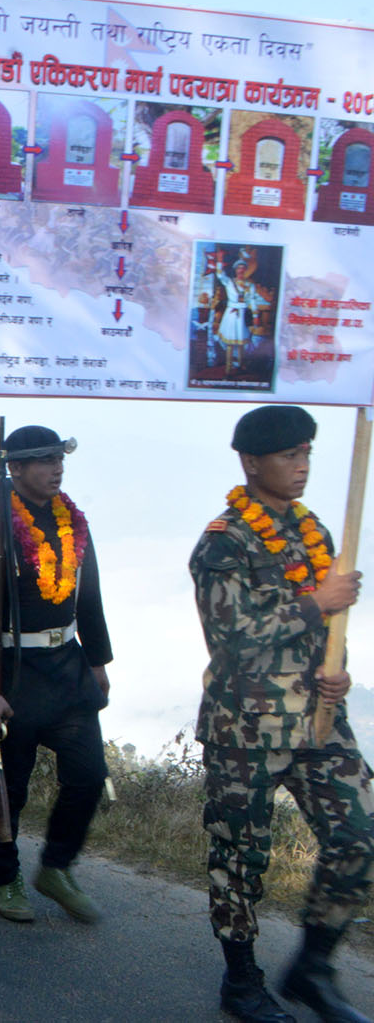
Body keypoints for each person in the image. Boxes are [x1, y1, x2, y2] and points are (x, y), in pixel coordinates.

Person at [191, 405, 372, 1023]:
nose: (302, 466)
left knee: (359, 837)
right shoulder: (223, 542)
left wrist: (337, 668)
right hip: (246, 725)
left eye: (307, 454)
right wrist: (317, 602)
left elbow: (328, 627)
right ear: (251, 462)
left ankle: (312, 968)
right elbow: (232, 636)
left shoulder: (311, 528)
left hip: (319, 719)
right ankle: (241, 983)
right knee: (240, 857)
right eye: (289, 455)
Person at [0, 424, 113, 925]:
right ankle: (6, 878)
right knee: (9, 790)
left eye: (59, 458)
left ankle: (57, 867)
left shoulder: (73, 520)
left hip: (68, 668)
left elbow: (88, 595)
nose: (57, 468)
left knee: (89, 775)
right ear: (16, 468)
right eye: (45, 460)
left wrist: (97, 661)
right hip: (13, 675)